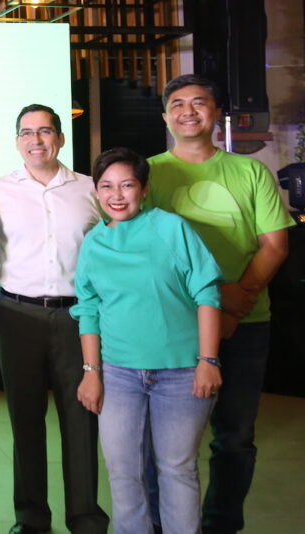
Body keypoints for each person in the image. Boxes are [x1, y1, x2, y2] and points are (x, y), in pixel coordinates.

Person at [147, 74, 294, 534]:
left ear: (216, 113)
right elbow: (144, 253)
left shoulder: (251, 172)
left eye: (199, 102)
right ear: (165, 116)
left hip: (246, 325)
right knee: (167, 444)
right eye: (178, 104)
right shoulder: (146, 174)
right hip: (175, 327)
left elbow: (274, 245)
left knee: (235, 438)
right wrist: (216, 299)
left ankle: (220, 525)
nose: (188, 111)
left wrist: (232, 305)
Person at [71, 147, 223, 534]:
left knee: (176, 469)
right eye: (106, 186)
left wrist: (209, 361)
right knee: (122, 472)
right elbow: (88, 309)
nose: (116, 195)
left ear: (144, 188)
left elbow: (207, 293)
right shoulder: (93, 242)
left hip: (181, 372)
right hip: (118, 373)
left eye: (127, 185)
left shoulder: (171, 229)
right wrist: (91, 372)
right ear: (96, 191)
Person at [0, 104, 108, 534]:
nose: (35, 140)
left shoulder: (89, 188)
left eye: (44, 131)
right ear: (16, 141)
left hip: (77, 318)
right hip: (16, 315)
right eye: (26, 133)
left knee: (81, 418)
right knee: (24, 420)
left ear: (60, 138)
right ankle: (31, 518)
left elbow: (113, 247)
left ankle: (86, 518)